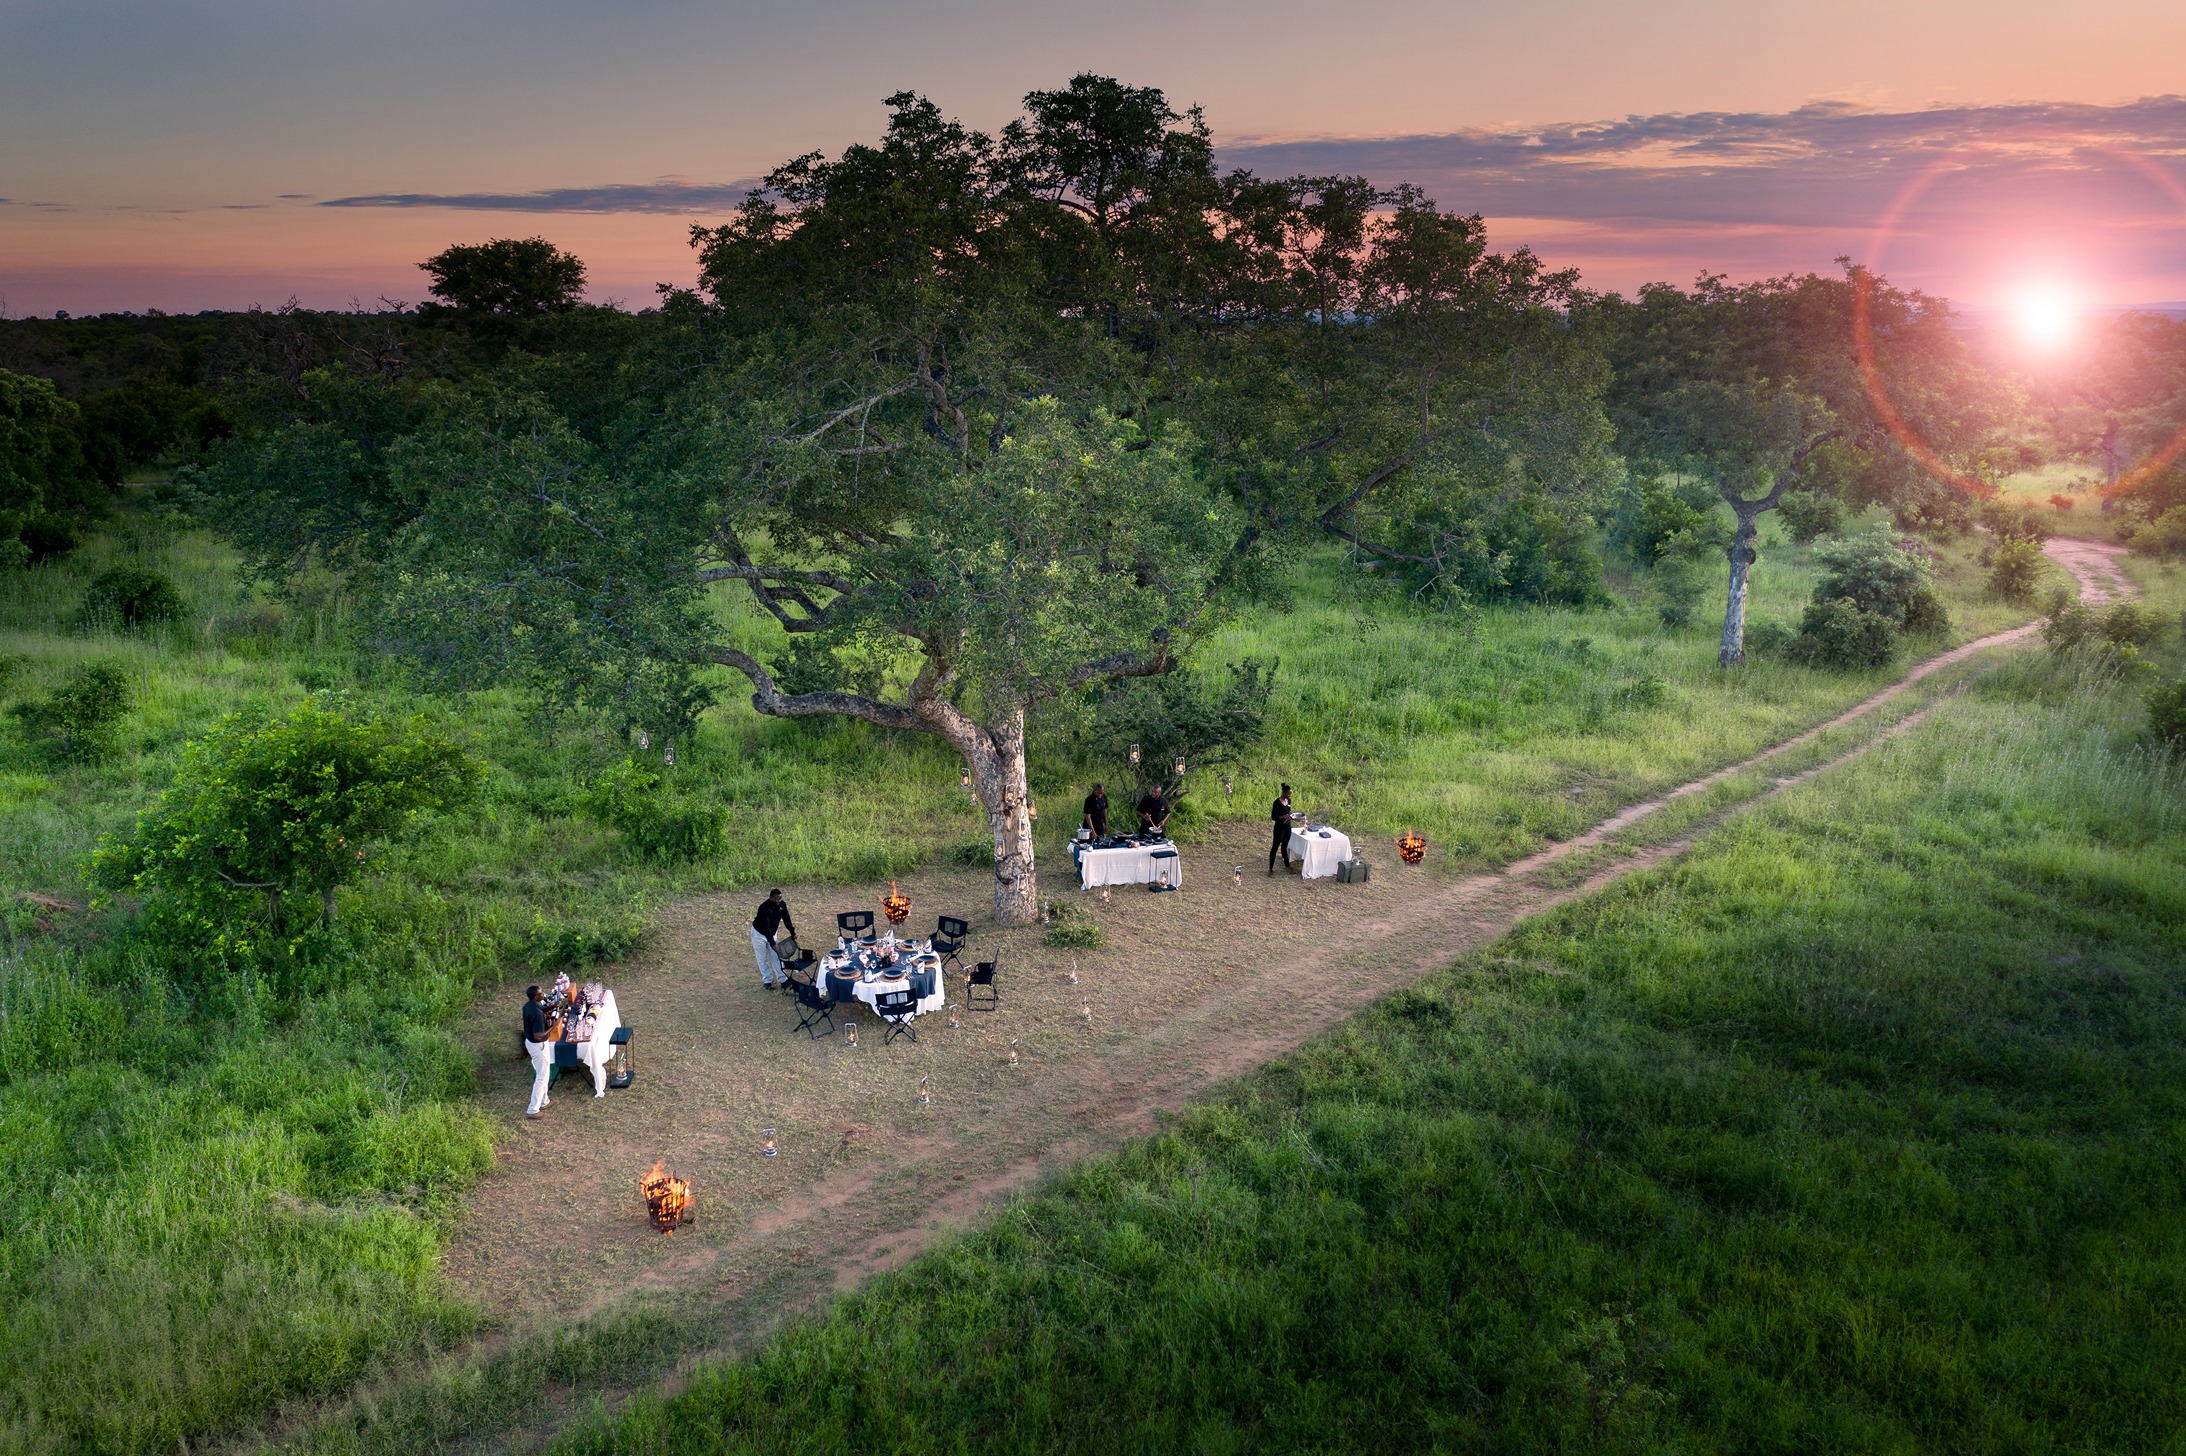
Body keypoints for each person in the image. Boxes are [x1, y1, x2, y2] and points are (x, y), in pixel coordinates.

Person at [522, 984, 555, 1119]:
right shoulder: (537, 1013)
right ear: (536, 997)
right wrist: (553, 1027)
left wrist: (553, 1007)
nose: (544, 994)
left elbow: (541, 1010)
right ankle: (533, 1109)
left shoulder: (529, 1006)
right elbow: (538, 1035)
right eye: (541, 994)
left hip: (530, 1043)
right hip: (538, 1044)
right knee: (542, 1077)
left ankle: (544, 1101)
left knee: (544, 1073)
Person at [752, 888, 795, 990]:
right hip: (759, 934)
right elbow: (766, 927)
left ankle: (782, 980)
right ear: (771, 898)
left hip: (772, 933)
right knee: (762, 958)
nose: (778, 901)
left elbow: (787, 919)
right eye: (776, 899)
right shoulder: (763, 908)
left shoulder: (782, 905)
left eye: (780, 898)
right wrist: (772, 943)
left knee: (776, 956)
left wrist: (792, 932)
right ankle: (767, 980)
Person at [1268, 783, 1294, 876]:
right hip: (1279, 827)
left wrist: (1291, 816)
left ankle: (1287, 865)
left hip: (1287, 827)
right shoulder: (1277, 803)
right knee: (1275, 847)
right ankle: (1270, 869)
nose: (1289, 795)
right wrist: (1283, 816)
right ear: (1283, 793)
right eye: (1288, 793)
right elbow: (1273, 817)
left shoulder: (1289, 800)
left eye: (1290, 794)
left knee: (1285, 846)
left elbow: (1288, 812)